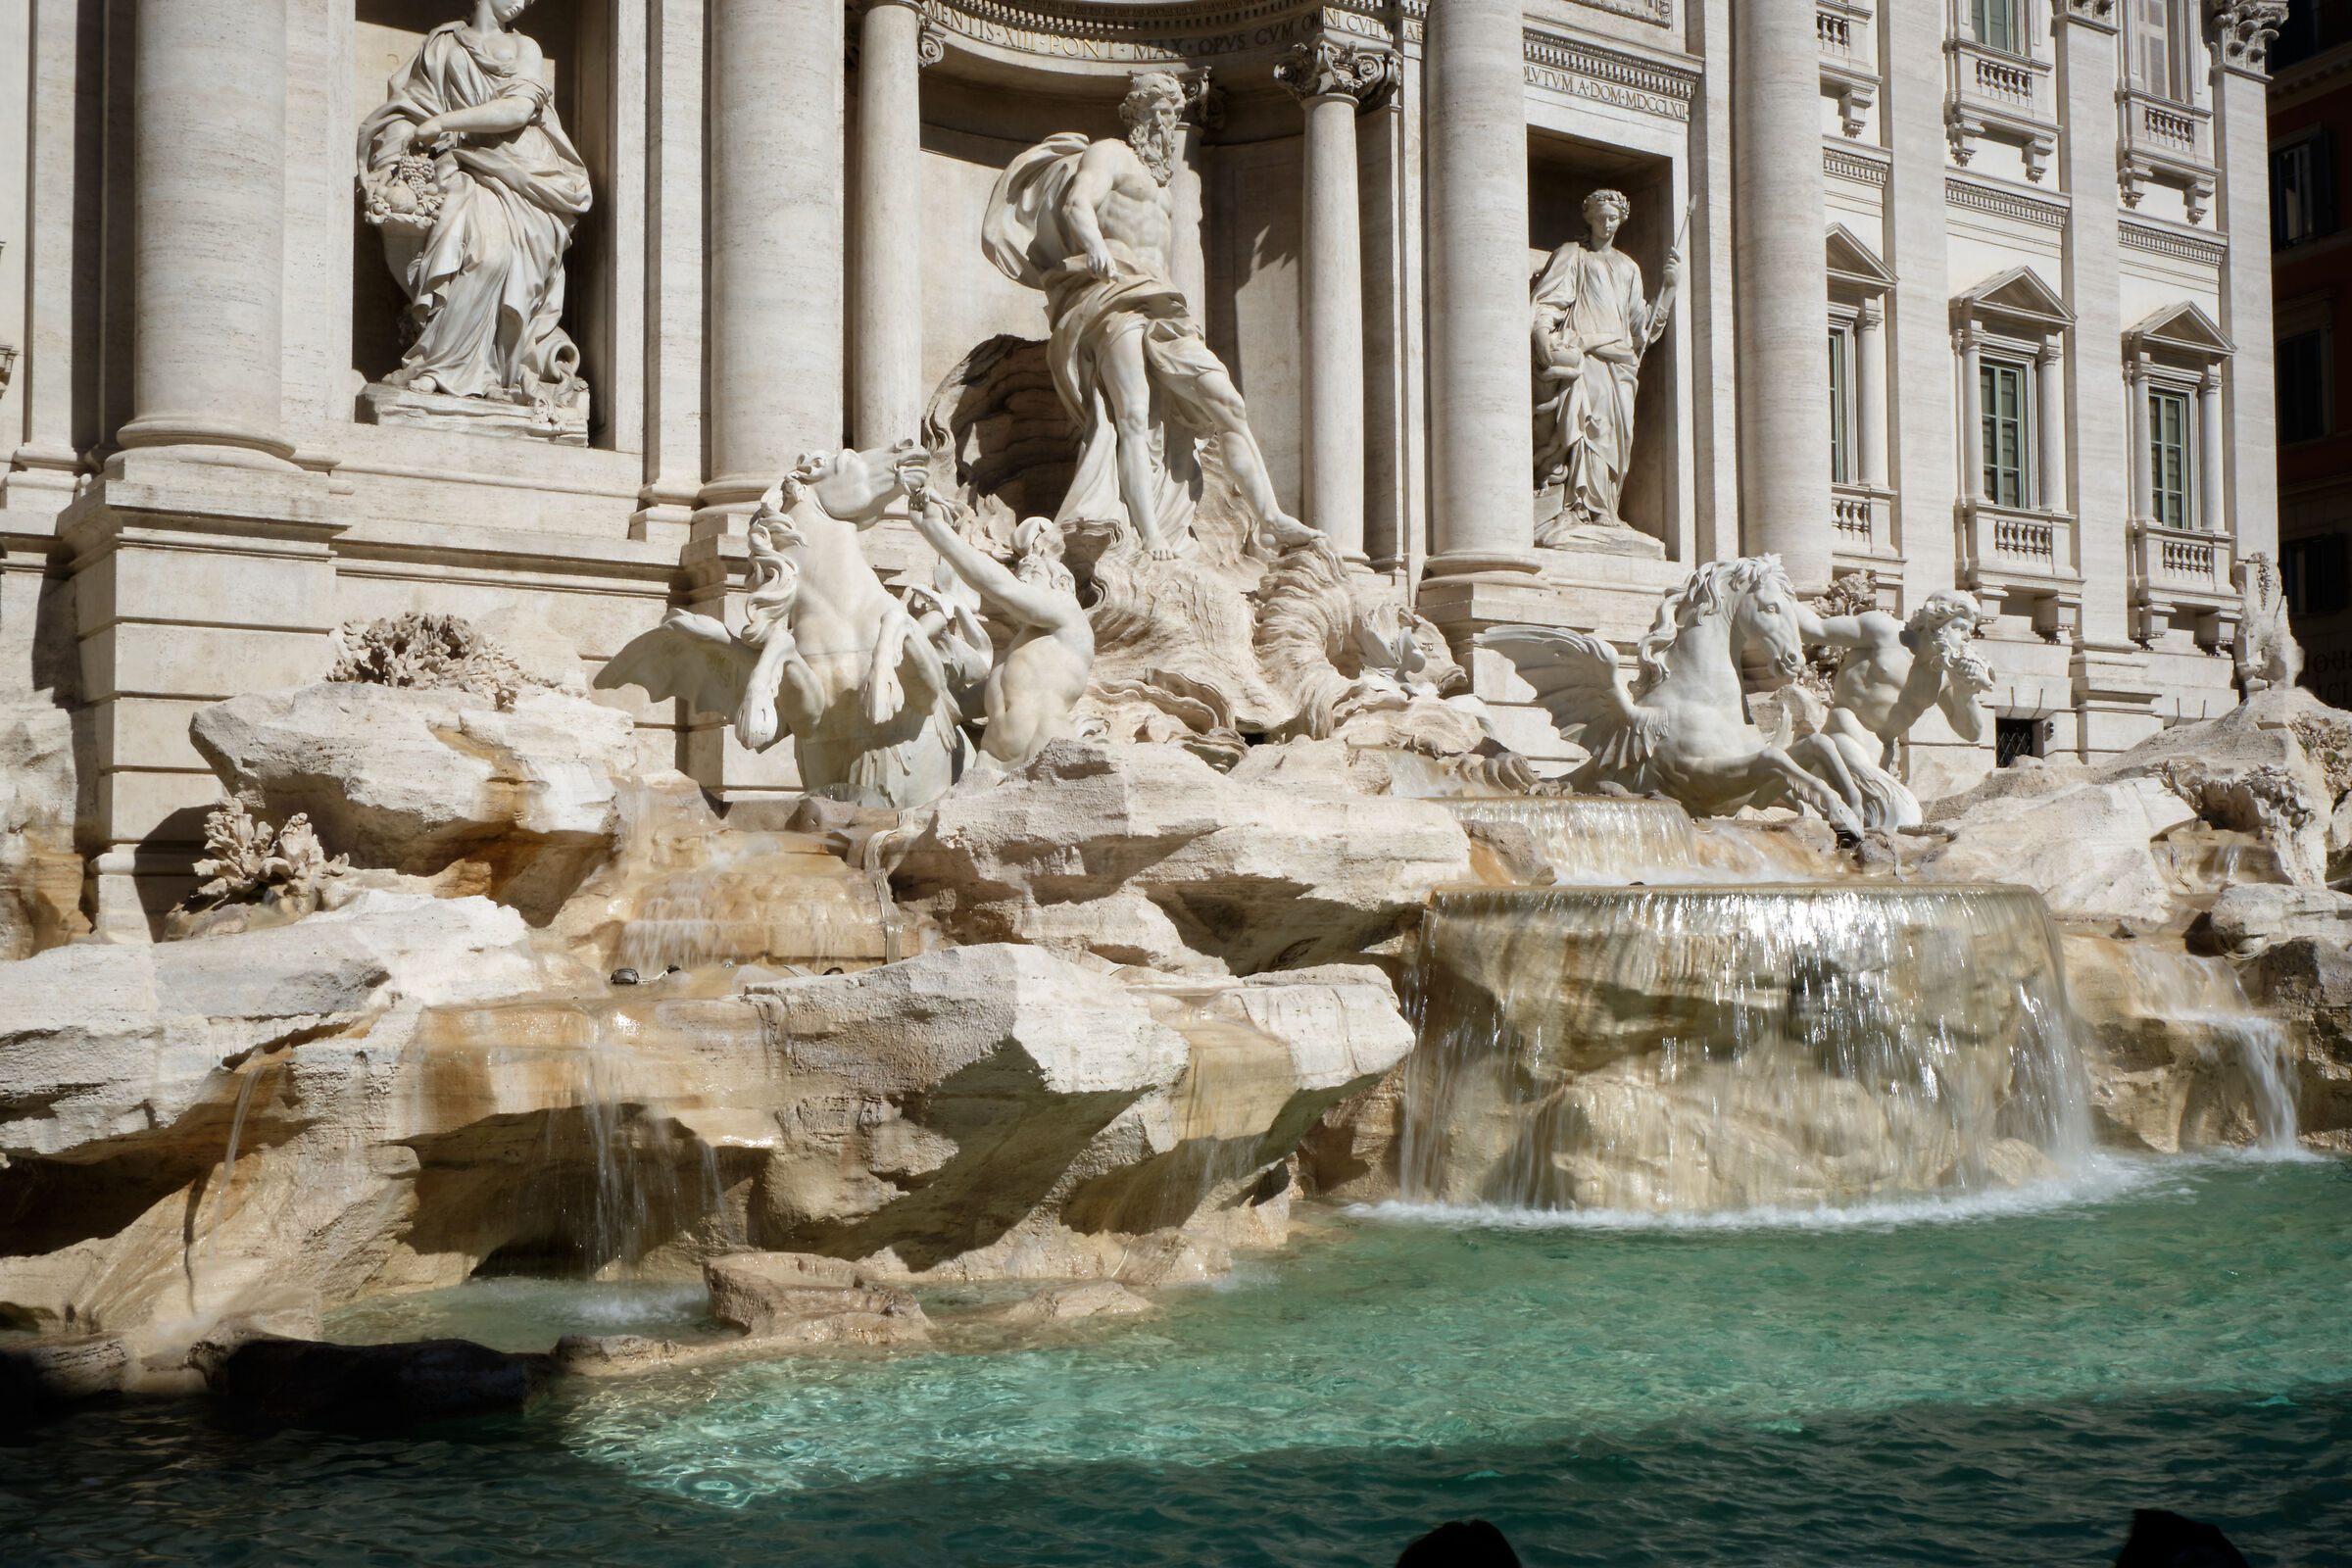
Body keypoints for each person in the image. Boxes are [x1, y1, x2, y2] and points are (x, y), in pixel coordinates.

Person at [983, 72, 1316, 561]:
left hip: (1161, 302)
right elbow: (1079, 203)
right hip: (1112, 294)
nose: (1165, 122)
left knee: (1227, 402)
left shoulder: (1164, 184)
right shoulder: (1110, 153)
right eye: (1157, 111)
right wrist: (1095, 247)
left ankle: (1270, 518)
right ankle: (1148, 535)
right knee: (1132, 415)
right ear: (1135, 115)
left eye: (1172, 112)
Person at [358, 0, 591, 421]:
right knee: (476, 252)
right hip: (458, 165)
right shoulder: (442, 45)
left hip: (524, 172)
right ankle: (442, 367)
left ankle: (490, 372)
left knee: (497, 257)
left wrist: (444, 122)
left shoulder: (527, 49)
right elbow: (408, 107)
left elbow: (519, 110)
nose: (524, 1)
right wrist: (392, 162)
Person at [1529, 189, 1678, 539]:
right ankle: (1579, 506)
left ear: (1621, 220)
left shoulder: (1628, 267)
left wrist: (1669, 288)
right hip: (1588, 356)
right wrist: (1540, 331)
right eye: (1601, 218)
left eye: (1613, 218)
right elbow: (1552, 300)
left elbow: (1642, 327)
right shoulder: (1574, 255)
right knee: (1587, 429)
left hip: (1621, 364)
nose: (1607, 224)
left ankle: (1606, 507)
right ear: (1590, 219)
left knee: (1617, 435)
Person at [908, 493, 1097, 767]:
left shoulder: (1069, 615)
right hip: (992, 759)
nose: (1022, 583)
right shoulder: (1019, 650)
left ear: (1062, 583)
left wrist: (936, 530)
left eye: (1032, 575)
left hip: (1044, 748)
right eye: (1020, 577)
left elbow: (1000, 587)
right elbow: (967, 703)